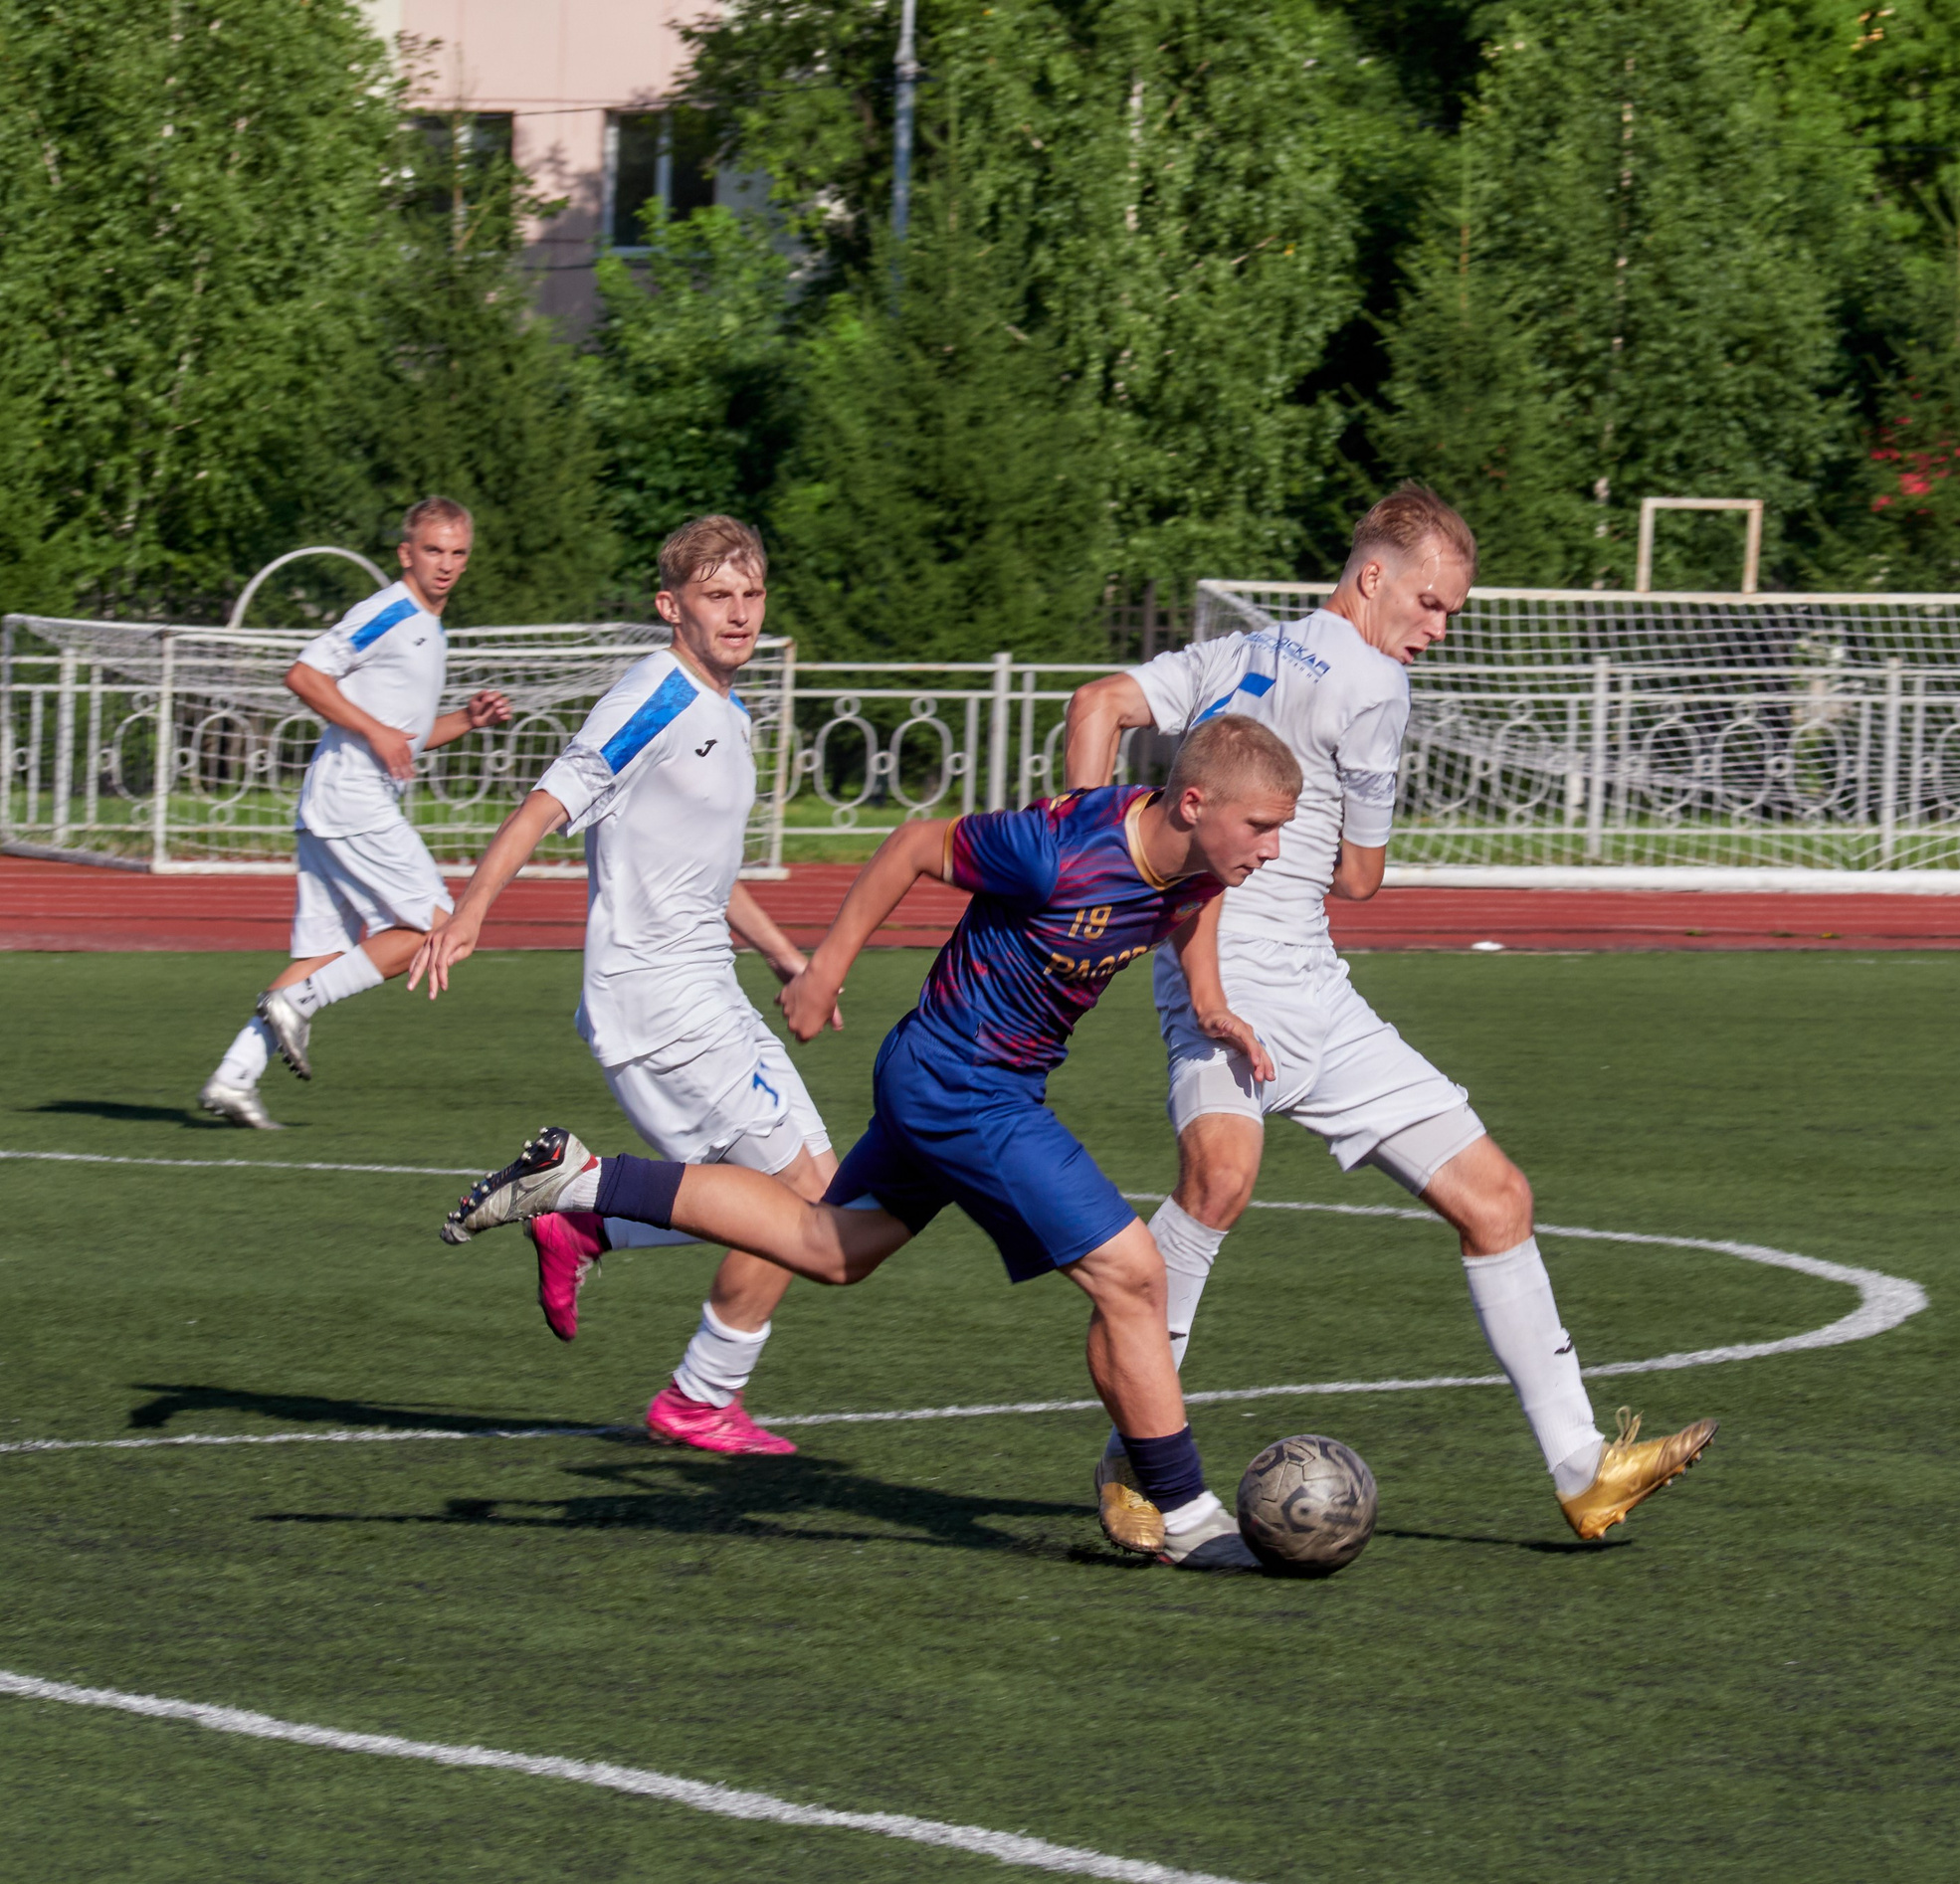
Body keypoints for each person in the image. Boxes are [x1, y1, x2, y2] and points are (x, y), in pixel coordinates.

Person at [436, 714, 1305, 1571]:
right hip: (965, 1082)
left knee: (831, 1246)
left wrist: (1207, 998)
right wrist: (823, 970)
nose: (1271, 849)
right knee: (1133, 1273)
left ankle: (585, 1183)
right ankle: (1183, 1507)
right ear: (1191, 803)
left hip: (963, 1077)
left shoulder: (1201, 862)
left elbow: (1191, 902)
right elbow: (913, 845)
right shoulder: (1060, 847)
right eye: (1261, 827)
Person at [1062, 482, 1716, 1543]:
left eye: (1448, 611)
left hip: (1297, 984)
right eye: (1429, 602)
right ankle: (1140, 1461)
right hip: (1238, 976)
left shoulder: (1238, 649)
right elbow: (1362, 876)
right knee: (1218, 1186)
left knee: (1494, 1198)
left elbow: (1095, 704)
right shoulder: (1371, 683)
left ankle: (1583, 1467)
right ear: (1372, 577)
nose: (1436, 628)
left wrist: (1086, 856)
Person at [408, 516, 839, 1457]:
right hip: (660, 1001)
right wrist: (471, 909)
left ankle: (588, 1228)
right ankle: (693, 1389)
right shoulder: (657, 695)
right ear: (670, 605)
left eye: (751, 594)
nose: (738, 613)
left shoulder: (727, 710)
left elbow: (705, 876)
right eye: (717, 595)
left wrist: (785, 957)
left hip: (706, 990)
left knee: (808, 1202)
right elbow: (547, 801)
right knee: (805, 1207)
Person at [199, 497, 512, 1130]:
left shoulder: (427, 625)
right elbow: (306, 675)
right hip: (352, 800)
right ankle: (297, 1004)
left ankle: (232, 1078)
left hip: (337, 803)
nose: (446, 564)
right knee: (438, 930)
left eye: (457, 553)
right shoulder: (389, 611)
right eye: (433, 551)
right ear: (405, 554)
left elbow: (407, 736)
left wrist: (467, 721)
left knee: (324, 952)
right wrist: (374, 732)